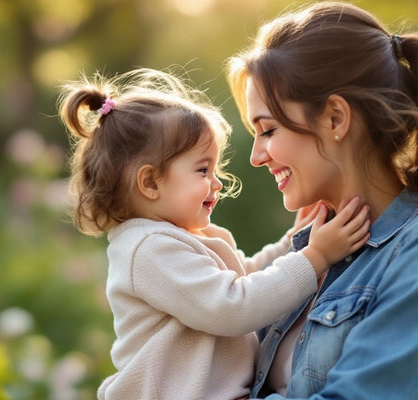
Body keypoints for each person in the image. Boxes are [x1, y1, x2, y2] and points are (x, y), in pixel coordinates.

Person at [58, 68, 370, 400]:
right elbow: (234, 306)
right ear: (150, 183)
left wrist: (292, 242)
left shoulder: (178, 238)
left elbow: (245, 276)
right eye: (203, 170)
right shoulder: (149, 250)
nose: (217, 183)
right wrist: (316, 257)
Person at [226, 2, 418, 399]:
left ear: (335, 118)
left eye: (268, 130)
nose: (256, 156)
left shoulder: (410, 254)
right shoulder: (306, 250)